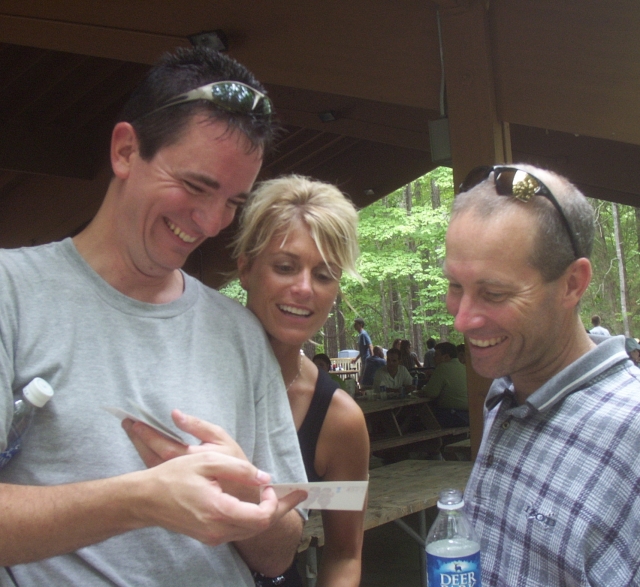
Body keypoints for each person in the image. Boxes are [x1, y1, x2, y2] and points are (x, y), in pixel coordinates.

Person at [0, 47, 308, 587]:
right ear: (125, 150)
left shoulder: (238, 331)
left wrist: (244, 498)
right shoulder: (12, 293)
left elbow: (281, 554)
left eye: (234, 202)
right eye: (195, 186)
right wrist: (141, 500)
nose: (212, 222)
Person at [444, 164, 640, 586]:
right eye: (455, 286)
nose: (462, 320)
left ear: (572, 284)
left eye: (493, 294)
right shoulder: (505, 391)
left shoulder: (632, 430)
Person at [233, 175, 370, 587]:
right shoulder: (184, 365)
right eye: (285, 267)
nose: (304, 288)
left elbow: (344, 554)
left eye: (325, 275)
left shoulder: (338, 420)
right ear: (246, 268)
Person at [417, 342, 468, 428]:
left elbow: (431, 393)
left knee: (420, 420)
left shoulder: (442, 367)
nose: (434, 358)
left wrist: (419, 392)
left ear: (446, 357)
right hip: (468, 414)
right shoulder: (464, 367)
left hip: (453, 414)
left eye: (436, 355)